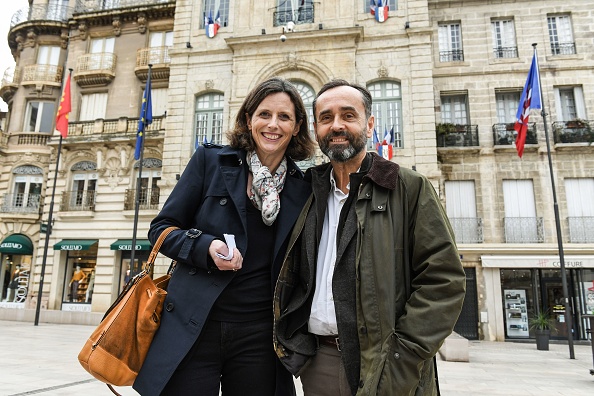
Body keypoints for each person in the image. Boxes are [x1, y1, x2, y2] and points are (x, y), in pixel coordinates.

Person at [273, 80, 466, 396]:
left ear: (370, 123)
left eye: (348, 115)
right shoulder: (306, 192)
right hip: (318, 363)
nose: (337, 125)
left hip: (387, 366)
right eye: (326, 117)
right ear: (316, 129)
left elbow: (443, 282)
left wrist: (400, 359)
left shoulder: (408, 188)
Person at [134, 77, 315, 396]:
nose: (273, 125)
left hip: (260, 337)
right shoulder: (211, 161)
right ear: (248, 119)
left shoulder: (304, 188)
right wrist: (205, 246)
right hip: (194, 326)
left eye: (284, 117)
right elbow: (161, 228)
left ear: (297, 126)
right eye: (264, 114)